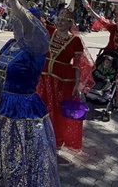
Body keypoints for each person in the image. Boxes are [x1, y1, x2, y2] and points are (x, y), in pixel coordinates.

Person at [0, 0, 62, 186]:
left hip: (23, 112)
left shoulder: (36, 46)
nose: (17, 26)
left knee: (21, 160)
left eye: (19, 22)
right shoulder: (11, 45)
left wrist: (14, 2)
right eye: (15, 22)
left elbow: (29, 24)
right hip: (1, 107)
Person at [36, 8, 95, 154]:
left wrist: (77, 83)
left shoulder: (75, 41)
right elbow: (33, 20)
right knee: (41, 106)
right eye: (58, 19)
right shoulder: (49, 31)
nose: (59, 22)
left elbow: (77, 65)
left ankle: (54, 140)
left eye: (63, 20)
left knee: (56, 110)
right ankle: (38, 137)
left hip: (61, 81)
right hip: (43, 77)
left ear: (70, 24)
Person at [87, 12, 118, 101]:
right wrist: (90, 10)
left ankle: (113, 93)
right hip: (107, 53)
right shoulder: (113, 28)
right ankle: (92, 87)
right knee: (97, 69)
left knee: (117, 74)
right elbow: (101, 20)